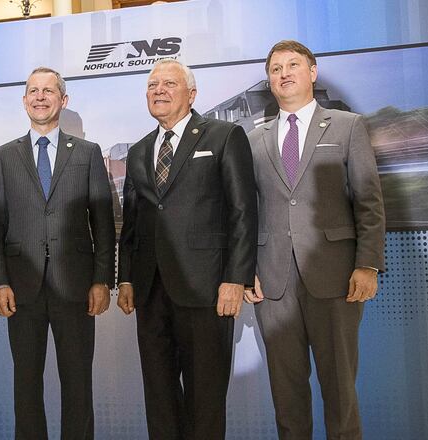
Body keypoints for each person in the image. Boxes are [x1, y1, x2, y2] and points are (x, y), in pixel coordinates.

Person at [244, 40, 385, 440]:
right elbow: (246, 212)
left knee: (340, 392)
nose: (283, 73)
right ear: (269, 80)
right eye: (275, 68)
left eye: (292, 64)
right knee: (286, 396)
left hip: (336, 279)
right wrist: (245, 271)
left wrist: (367, 264)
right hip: (272, 284)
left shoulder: (348, 126)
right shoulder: (254, 140)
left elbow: (369, 201)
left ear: (312, 72)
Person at [117, 59, 257, 439]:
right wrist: (126, 277)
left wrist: (235, 278)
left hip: (207, 290)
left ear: (191, 94)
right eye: (152, 85)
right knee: (159, 398)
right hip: (150, 292)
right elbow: (132, 223)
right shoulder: (139, 150)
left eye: (168, 84)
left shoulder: (224, 136)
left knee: (205, 399)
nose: (158, 90)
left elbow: (243, 212)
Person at [0, 67, 115, 440]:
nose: (40, 97)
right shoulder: (4, 156)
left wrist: (102, 279)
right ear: (25, 100)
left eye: (48, 91)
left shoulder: (88, 153)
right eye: (33, 91)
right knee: (25, 385)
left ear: (63, 100)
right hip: (20, 289)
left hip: (75, 288)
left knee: (78, 383)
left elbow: (103, 222)